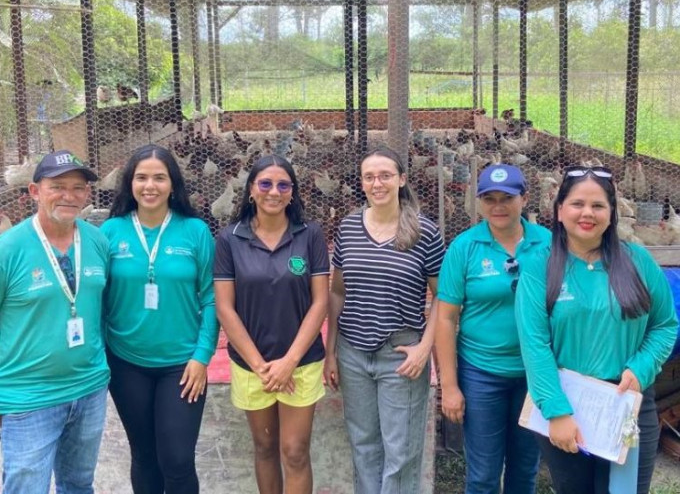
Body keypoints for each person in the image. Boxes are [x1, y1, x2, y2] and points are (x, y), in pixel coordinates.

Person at [515, 165, 678, 494]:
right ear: (560, 211)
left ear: (611, 213)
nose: (587, 213)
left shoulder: (638, 262)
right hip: (566, 403)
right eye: (577, 204)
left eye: (598, 205)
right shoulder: (539, 267)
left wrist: (642, 368)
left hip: (627, 402)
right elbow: (535, 345)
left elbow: (665, 325)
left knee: (625, 490)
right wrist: (557, 412)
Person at [0, 150, 110, 493]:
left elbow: (99, 311)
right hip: (28, 398)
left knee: (79, 485)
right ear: (34, 191)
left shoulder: (98, 242)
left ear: (88, 194)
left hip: (88, 390)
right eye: (57, 186)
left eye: (78, 187)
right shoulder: (3, 252)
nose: (69, 195)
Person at [324, 146, 445, 494]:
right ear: (362, 184)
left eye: (385, 175)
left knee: (401, 451)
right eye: (369, 177)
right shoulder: (347, 229)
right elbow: (337, 293)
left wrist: (424, 348)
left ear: (401, 179)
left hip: (401, 354)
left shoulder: (424, 232)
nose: (377, 183)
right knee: (363, 445)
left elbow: (443, 297)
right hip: (353, 353)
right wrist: (331, 351)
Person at [100, 144, 218, 494]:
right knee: (144, 455)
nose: (149, 186)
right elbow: (96, 297)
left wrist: (202, 356)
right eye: (141, 178)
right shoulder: (110, 232)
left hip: (182, 366)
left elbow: (212, 298)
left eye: (159, 178)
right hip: (125, 362)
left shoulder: (195, 231)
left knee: (178, 459)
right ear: (129, 184)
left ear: (172, 184)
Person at [214, 154, 329, 494]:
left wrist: (288, 363)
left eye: (283, 185)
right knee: (264, 448)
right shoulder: (229, 239)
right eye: (265, 183)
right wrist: (261, 365)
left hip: (301, 363)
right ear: (251, 189)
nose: (274, 192)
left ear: (292, 193)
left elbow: (320, 302)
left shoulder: (310, 235)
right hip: (253, 365)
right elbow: (224, 307)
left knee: (294, 452)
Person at [434, 164, 550, 494]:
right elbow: (445, 318)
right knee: (484, 474)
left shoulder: (548, 243)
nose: (498, 207)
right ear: (479, 202)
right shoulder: (465, 247)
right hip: (481, 373)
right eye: (489, 199)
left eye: (507, 198)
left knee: (525, 468)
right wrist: (450, 385)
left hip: (535, 373)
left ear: (524, 199)